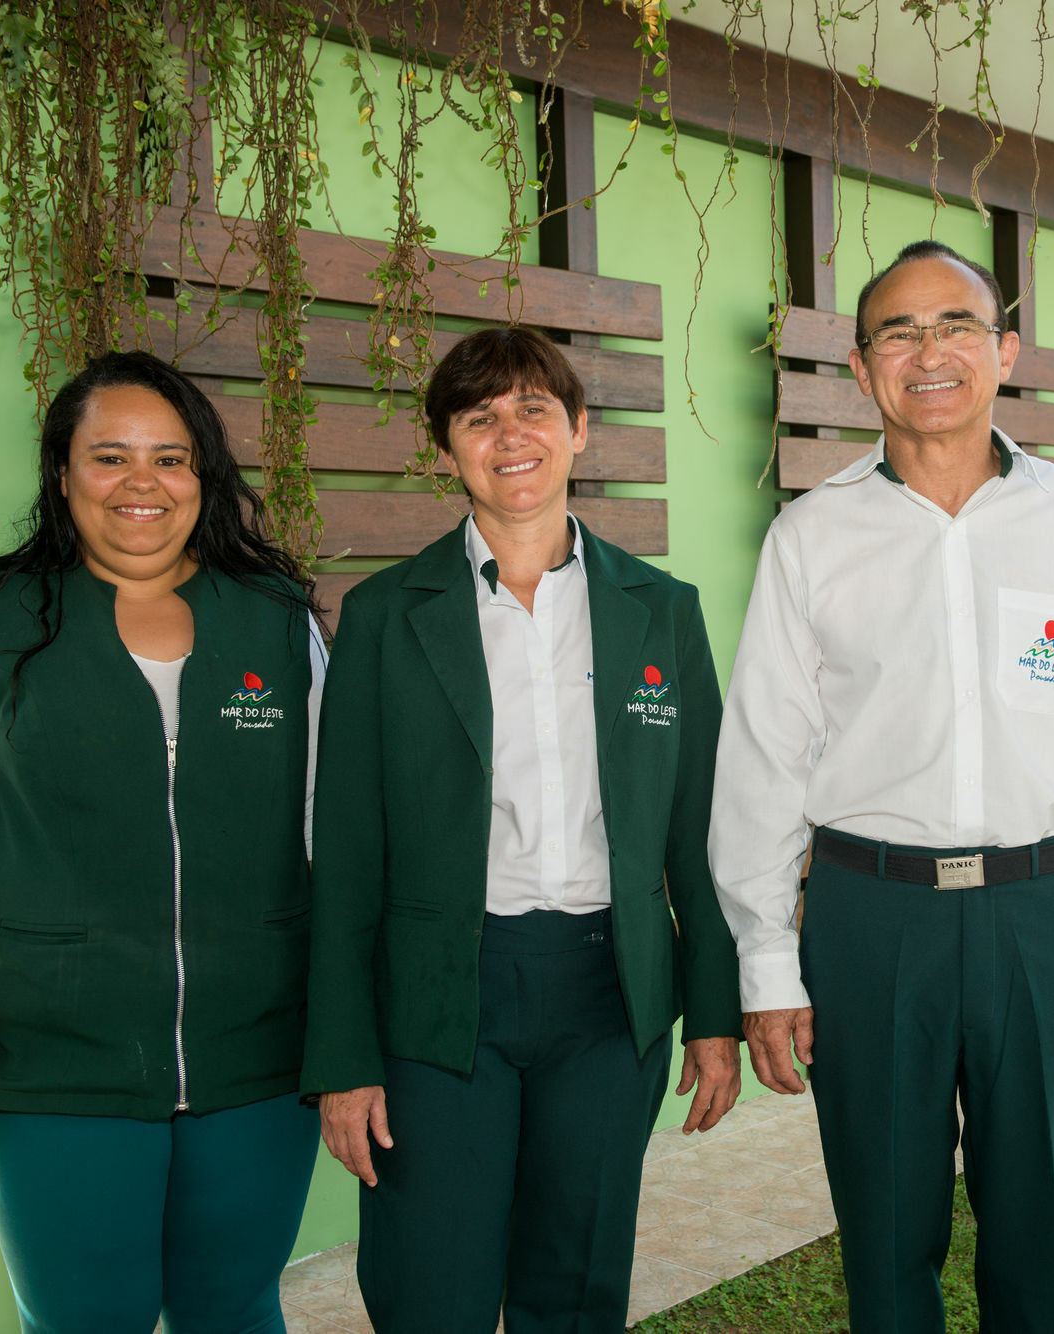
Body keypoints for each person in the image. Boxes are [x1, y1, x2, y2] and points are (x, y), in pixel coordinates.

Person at [709, 240, 1054, 1334]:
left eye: (955, 326)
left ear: (1003, 351)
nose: (927, 351)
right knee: (886, 1247)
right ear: (859, 368)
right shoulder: (810, 537)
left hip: (1045, 912)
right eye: (896, 331)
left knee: (1040, 1242)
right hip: (868, 917)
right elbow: (762, 756)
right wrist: (764, 958)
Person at [302, 325, 743, 1334]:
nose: (511, 435)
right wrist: (341, 1055)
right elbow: (347, 854)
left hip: (608, 992)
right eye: (479, 417)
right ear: (447, 449)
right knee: (430, 1287)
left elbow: (699, 831)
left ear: (580, 430)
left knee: (575, 1282)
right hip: (438, 996)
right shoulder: (384, 615)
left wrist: (712, 1012)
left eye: (534, 409)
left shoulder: (659, 611)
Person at [0, 350, 328, 1334]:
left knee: (236, 1308)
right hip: (57, 1066)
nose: (143, 483)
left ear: (203, 477)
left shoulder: (274, 617)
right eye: (110, 456)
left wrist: (345, 1031)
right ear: (62, 474)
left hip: (259, 1061)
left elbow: (328, 833)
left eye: (170, 459)